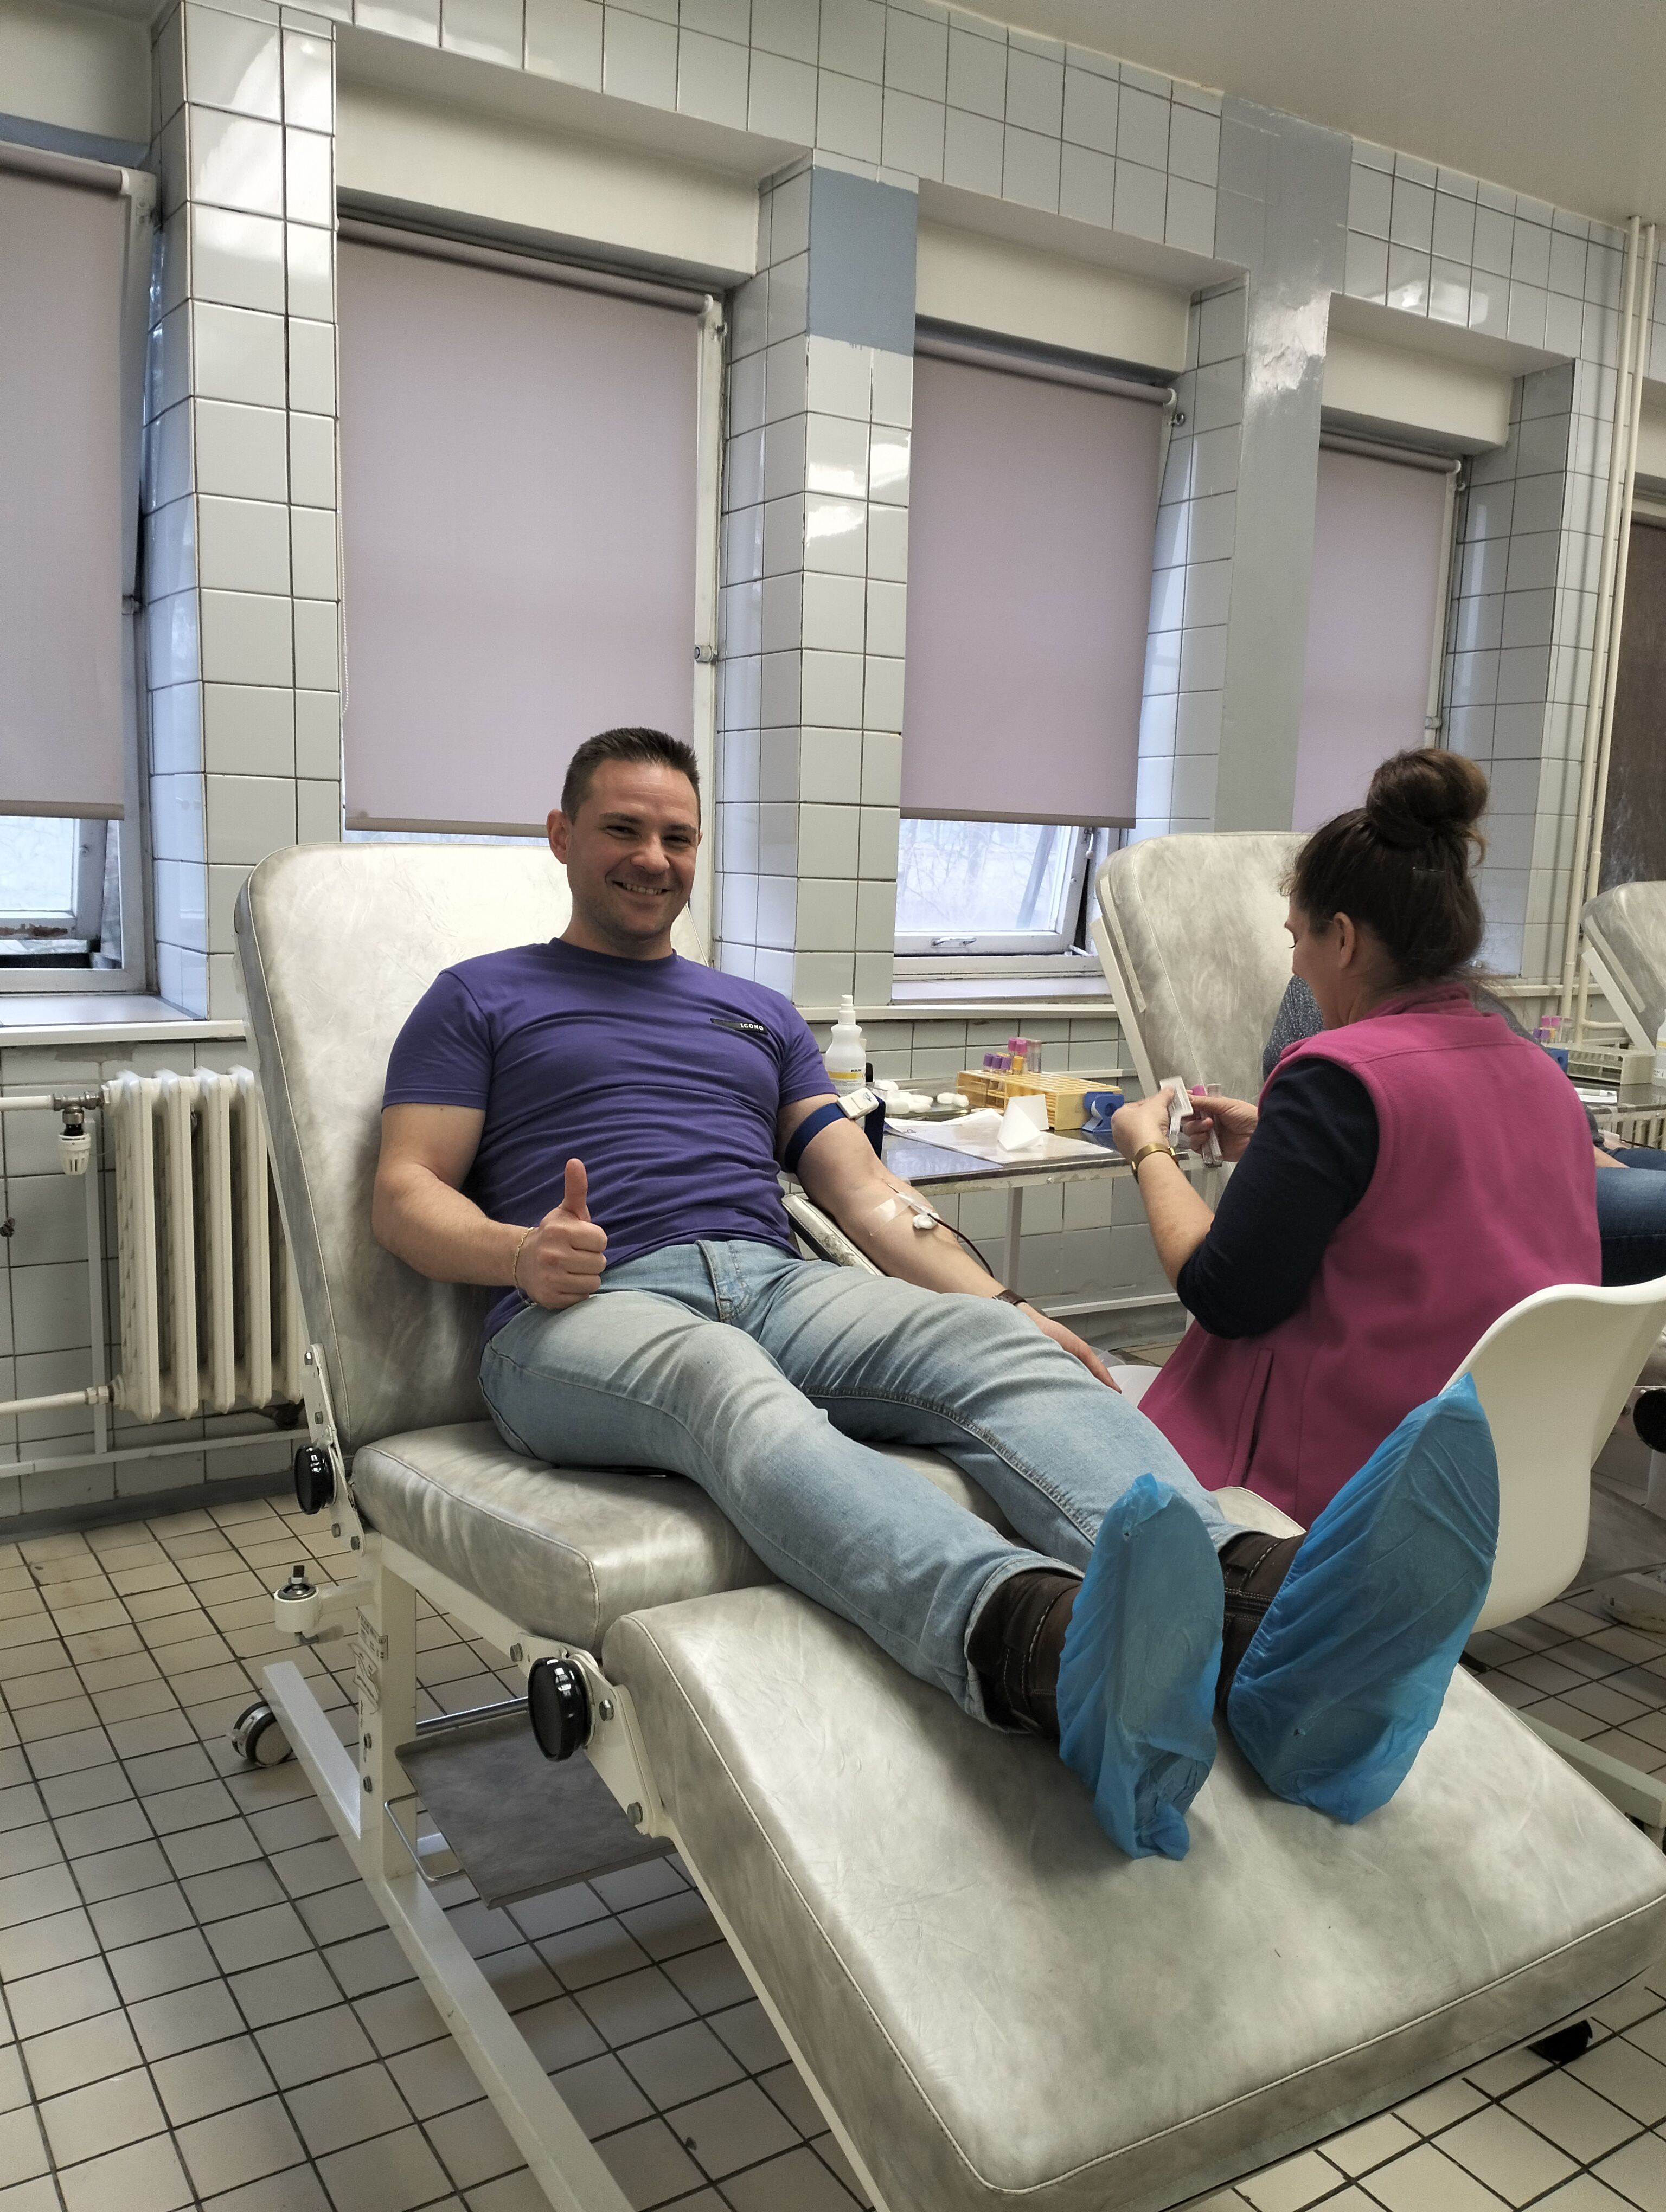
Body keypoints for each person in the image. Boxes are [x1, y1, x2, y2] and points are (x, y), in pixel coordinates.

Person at [372, 726, 1499, 1862]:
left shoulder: (756, 1014)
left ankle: (1257, 1613)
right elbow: (404, 1191)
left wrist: (1003, 1306)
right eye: (623, 829)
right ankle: (1036, 1646)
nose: (653, 859)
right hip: (582, 1312)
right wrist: (519, 1253)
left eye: (678, 837)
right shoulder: (480, 998)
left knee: (991, 1347)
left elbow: (867, 1198)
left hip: (772, 1279)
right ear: (561, 836)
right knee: (727, 1385)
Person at [1111, 749, 1600, 1531]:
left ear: (1343, 939)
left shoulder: (1332, 1078)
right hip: (1500, 1497)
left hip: (1340, 1503)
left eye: (1297, 939)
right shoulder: (1539, 1074)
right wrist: (1278, 1144)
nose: (1297, 964)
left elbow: (1223, 1294)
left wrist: (1148, 1150)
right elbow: (1426, 1204)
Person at [1268, 974, 1666, 1288]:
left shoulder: (1459, 992)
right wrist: (1581, 1150)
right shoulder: (1326, 1013)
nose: (1296, 959)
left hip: (1574, 1147)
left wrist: (1590, 1143)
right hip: (1536, 1166)